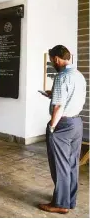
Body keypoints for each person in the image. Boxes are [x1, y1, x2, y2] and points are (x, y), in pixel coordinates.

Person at [38, 45, 86, 214]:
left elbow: (59, 105)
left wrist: (52, 126)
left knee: (59, 165)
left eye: (52, 60)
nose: (52, 63)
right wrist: (53, 94)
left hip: (63, 125)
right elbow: (71, 97)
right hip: (76, 124)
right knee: (72, 164)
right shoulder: (78, 75)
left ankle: (60, 203)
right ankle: (69, 200)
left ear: (57, 59)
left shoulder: (62, 77)